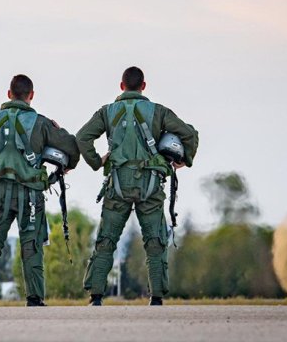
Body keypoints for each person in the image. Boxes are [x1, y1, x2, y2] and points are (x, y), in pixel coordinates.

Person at [77, 66, 198, 306]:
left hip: (118, 185)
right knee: (155, 241)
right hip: (151, 185)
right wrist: (185, 160)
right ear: (144, 86)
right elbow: (189, 134)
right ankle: (156, 297)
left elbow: (82, 137)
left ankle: (96, 296)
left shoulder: (107, 112)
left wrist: (96, 161)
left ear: (121, 86)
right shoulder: (159, 112)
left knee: (106, 240)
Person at [0, 74, 80, 307]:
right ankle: (35, 298)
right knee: (32, 245)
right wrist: (66, 167)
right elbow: (72, 148)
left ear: (9, 94)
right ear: (31, 96)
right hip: (30, 196)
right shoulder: (41, 123)